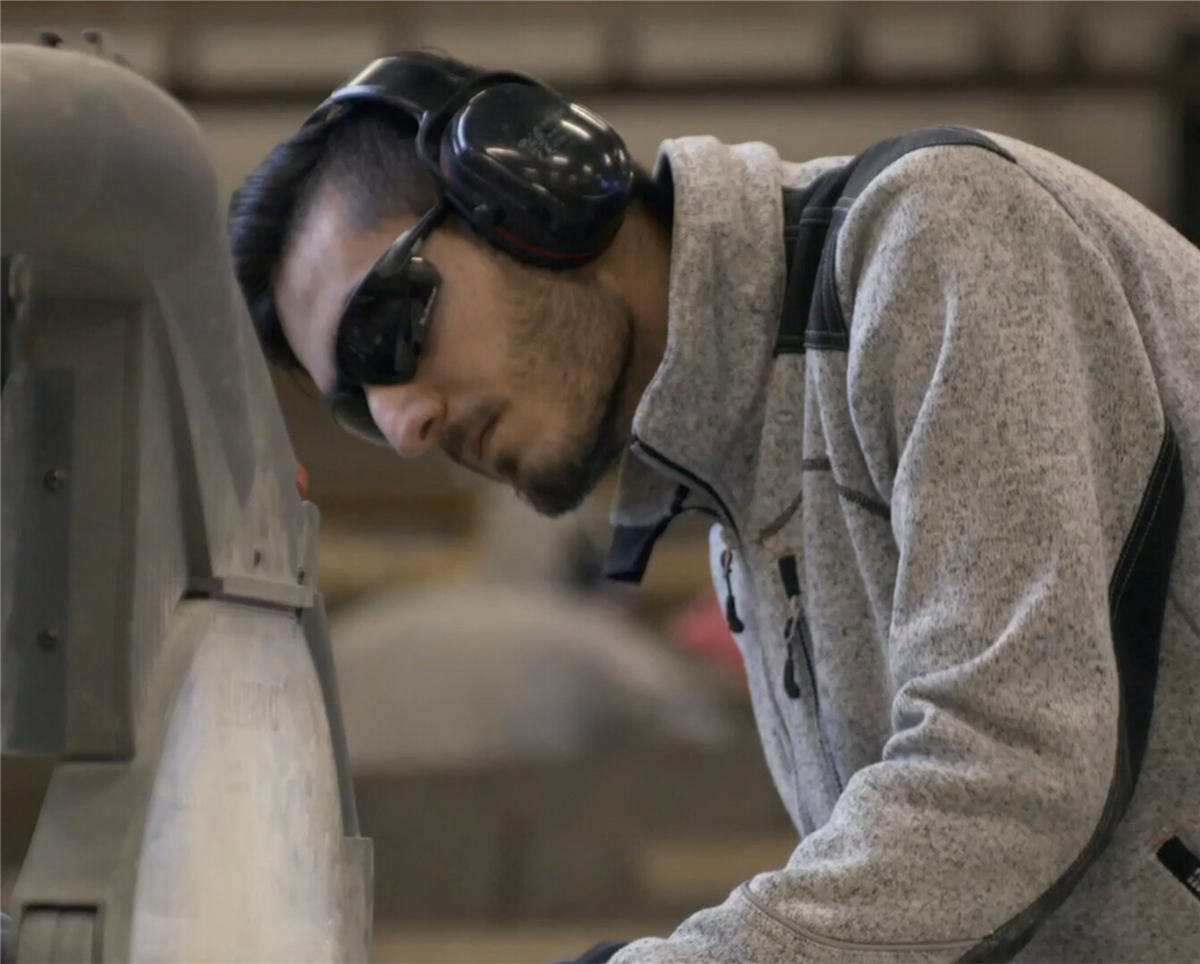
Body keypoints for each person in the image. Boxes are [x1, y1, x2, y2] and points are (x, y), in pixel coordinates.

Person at [229, 50, 1199, 963]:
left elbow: (1012, 770)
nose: (403, 425)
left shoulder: (937, 235)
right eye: (356, 406)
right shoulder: (744, 484)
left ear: (528, 189)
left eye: (387, 330)